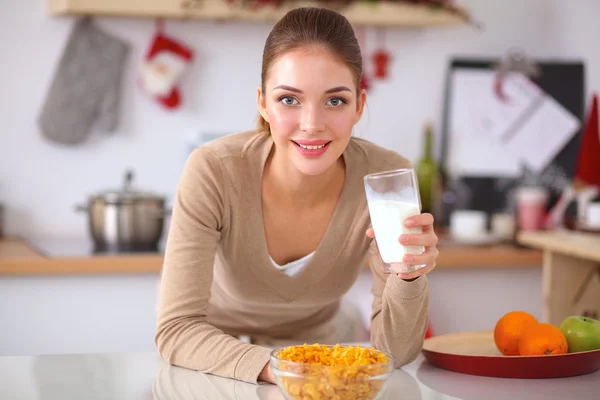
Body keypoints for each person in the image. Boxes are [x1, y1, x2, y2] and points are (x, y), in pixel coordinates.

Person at [155, 6, 439, 385]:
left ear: (359, 106)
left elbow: (396, 353)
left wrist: (409, 278)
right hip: (214, 364)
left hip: (318, 365)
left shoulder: (385, 178)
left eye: (335, 100)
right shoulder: (214, 169)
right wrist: (283, 368)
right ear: (263, 103)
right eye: (289, 99)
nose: (311, 125)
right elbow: (176, 329)